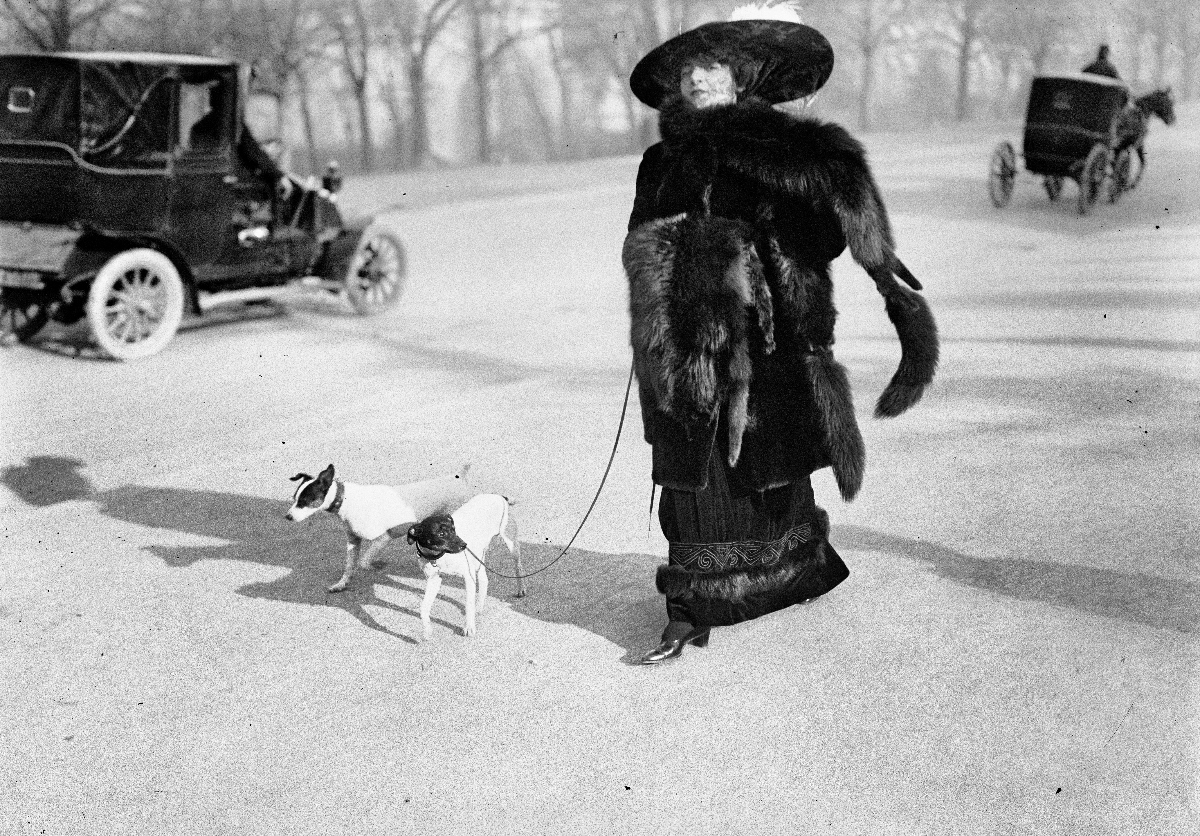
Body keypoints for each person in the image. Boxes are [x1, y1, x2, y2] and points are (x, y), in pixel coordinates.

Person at [623, 3, 939, 665]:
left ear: (739, 76)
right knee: (697, 474)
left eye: (711, 65)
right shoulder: (660, 162)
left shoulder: (783, 149)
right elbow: (641, 248)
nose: (698, 77)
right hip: (690, 347)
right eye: (686, 71)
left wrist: (790, 215)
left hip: (771, 341)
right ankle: (689, 610)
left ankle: (796, 570)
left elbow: (824, 239)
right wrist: (694, 268)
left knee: (773, 461)